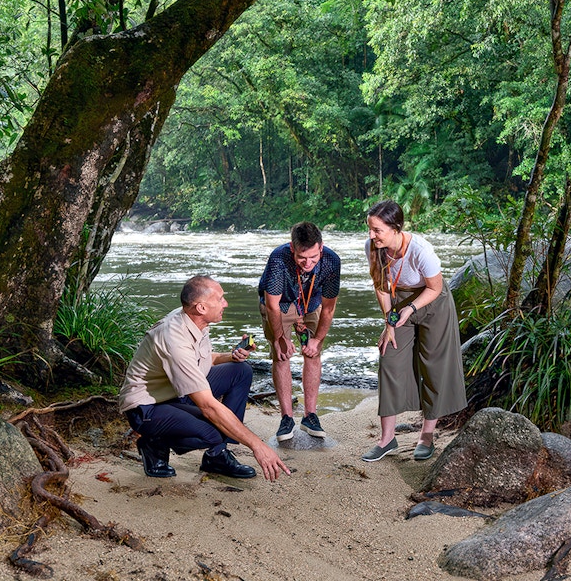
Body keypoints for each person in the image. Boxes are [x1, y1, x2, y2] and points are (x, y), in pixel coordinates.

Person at [119, 276, 290, 482]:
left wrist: (231, 356)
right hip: (147, 408)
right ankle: (154, 443)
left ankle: (216, 456)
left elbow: (204, 359)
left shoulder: (194, 320)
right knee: (215, 431)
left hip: (175, 393)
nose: (225, 303)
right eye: (220, 299)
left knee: (240, 371)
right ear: (201, 307)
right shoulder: (174, 338)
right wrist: (258, 446)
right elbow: (208, 407)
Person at [361, 199, 467, 462]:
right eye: (370, 229)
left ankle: (426, 436)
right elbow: (381, 286)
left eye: (377, 230)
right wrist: (389, 323)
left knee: (433, 366)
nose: (372, 235)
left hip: (433, 302)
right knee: (389, 357)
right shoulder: (373, 247)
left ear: (396, 229)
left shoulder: (421, 251)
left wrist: (411, 308)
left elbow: (435, 287)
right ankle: (387, 439)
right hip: (399, 301)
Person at [257, 222, 341, 442]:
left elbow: (329, 308)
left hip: (311, 303)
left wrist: (318, 339)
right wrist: (279, 338)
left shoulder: (331, 261)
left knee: (313, 352)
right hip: (281, 305)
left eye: (313, 257)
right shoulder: (279, 258)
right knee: (281, 355)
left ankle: (310, 415)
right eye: (302, 258)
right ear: (292, 248)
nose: (308, 263)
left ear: (321, 247)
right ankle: (286, 418)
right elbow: (272, 305)